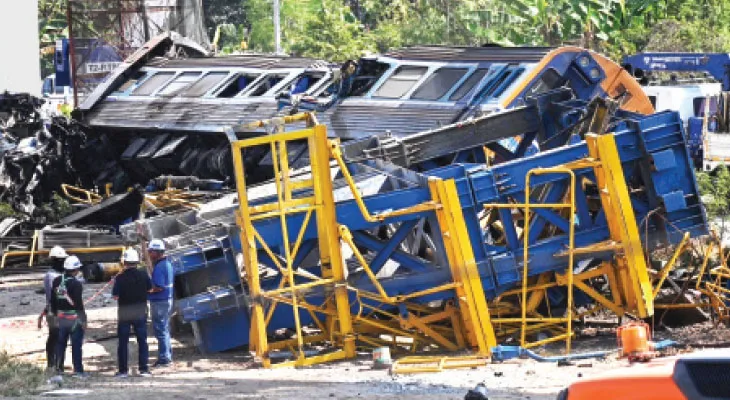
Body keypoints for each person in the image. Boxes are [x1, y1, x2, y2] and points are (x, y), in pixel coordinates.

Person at [113, 248, 152, 378]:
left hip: (124, 313)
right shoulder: (143, 274)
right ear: (137, 261)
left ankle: (123, 371)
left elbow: (115, 296)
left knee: (123, 342)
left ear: (125, 262)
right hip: (140, 311)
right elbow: (150, 289)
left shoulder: (120, 277)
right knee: (142, 340)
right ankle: (144, 369)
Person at [50, 255, 88, 378]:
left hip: (61, 318)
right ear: (76, 270)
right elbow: (78, 304)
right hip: (74, 320)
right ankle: (78, 370)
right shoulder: (76, 284)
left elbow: (53, 300)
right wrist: (84, 320)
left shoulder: (56, 281)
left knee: (60, 344)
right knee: (76, 346)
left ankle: (58, 368)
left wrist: (54, 315)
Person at [37, 246, 67, 370]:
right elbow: (53, 295)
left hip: (60, 310)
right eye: (61, 260)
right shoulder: (51, 276)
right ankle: (52, 364)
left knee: (61, 338)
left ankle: (59, 364)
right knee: (55, 337)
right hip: (54, 310)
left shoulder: (61, 275)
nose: (63, 263)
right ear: (55, 260)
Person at [147, 239, 174, 368]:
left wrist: (146, 291)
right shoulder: (167, 264)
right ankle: (167, 355)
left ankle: (164, 359)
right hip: (166, 300)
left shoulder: (159, 267)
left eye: (150, 251)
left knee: (160, 330)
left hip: (159, 302)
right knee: (165, 329)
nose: (149, 254)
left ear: (156, 252)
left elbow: (159, 286)